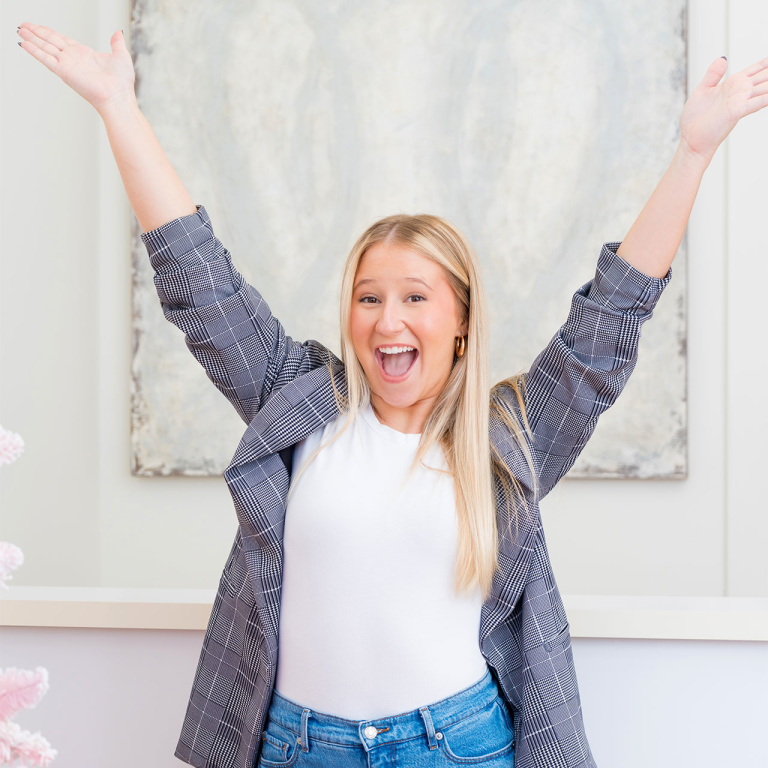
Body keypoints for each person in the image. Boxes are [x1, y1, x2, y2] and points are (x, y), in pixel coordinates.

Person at [17, 21, 768, 768]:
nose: (388, 320)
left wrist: (693, 151)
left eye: (415, 297)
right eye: (368, 297)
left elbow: (607, 322)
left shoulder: (506, 435)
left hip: (456, 746)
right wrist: (120, 107)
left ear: (461, 321)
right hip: (297, 746)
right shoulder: (300, 400)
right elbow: (199, 279)